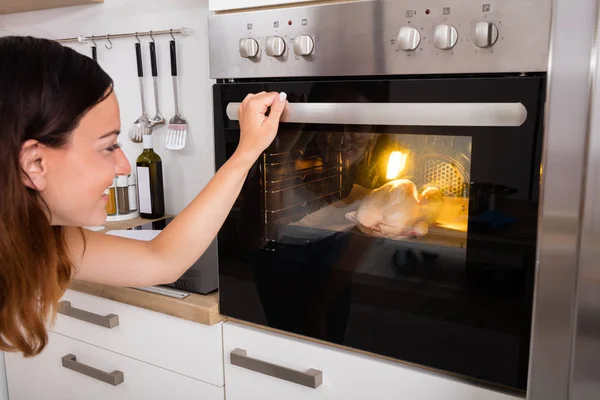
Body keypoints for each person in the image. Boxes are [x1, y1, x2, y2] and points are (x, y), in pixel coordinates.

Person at [0, 35, 287, 357]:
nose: (124, 167)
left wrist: (246, 152)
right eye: (108, 146)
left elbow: (161, 261)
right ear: (34, 163)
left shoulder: (40, 237)